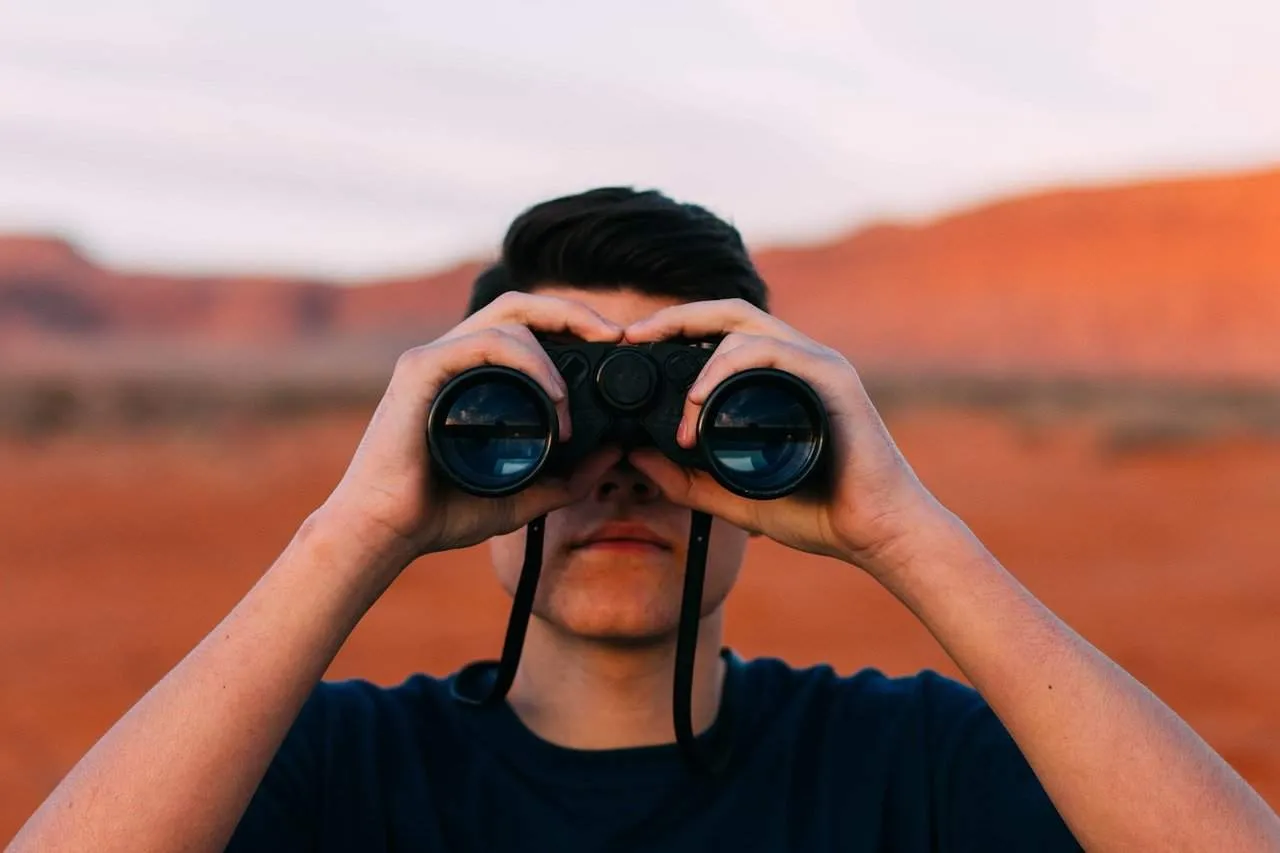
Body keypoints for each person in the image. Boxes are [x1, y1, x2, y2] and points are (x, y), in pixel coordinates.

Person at [9, 188, 1280, 853]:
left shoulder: (912, 761)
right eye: (541, 422)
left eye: (693, 426)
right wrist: (353, 527)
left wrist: (909, 531)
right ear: (443, 437)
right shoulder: (327, 764)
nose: (619, 472)